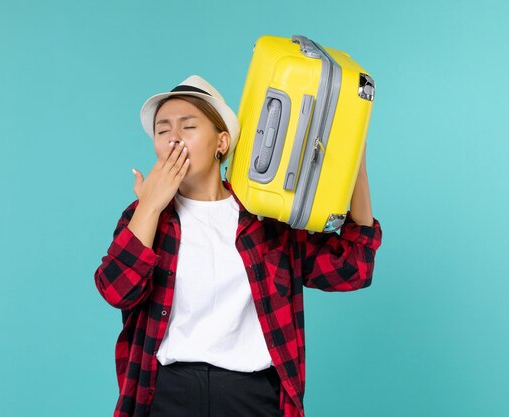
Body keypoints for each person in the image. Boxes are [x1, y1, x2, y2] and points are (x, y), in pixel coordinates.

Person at [94, 75, 383, 417]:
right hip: (169, 394)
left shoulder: (265, 219)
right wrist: (150, 207)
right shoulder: (146, 216)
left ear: (222, 142)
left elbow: (354, 268)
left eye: (188, 127)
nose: (173, 138)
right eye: (162, 130)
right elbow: (115, 291)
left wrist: (356, 162)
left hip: (252, 397)